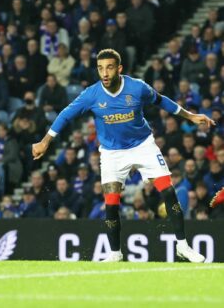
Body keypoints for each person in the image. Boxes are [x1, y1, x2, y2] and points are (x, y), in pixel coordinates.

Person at [32, 49, 214, 263]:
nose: (105, 73)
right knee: (111, 202)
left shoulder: (137, 87)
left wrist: (190, 116)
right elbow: (65, 115)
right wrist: (45, 141)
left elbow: (161, 100)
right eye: (100, 68)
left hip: (143, 145)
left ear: (119, 68)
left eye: (109, 67)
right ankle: (115, 253)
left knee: (168, 191)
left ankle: (183, 246)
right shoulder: (92, 94)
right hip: (112, 152)